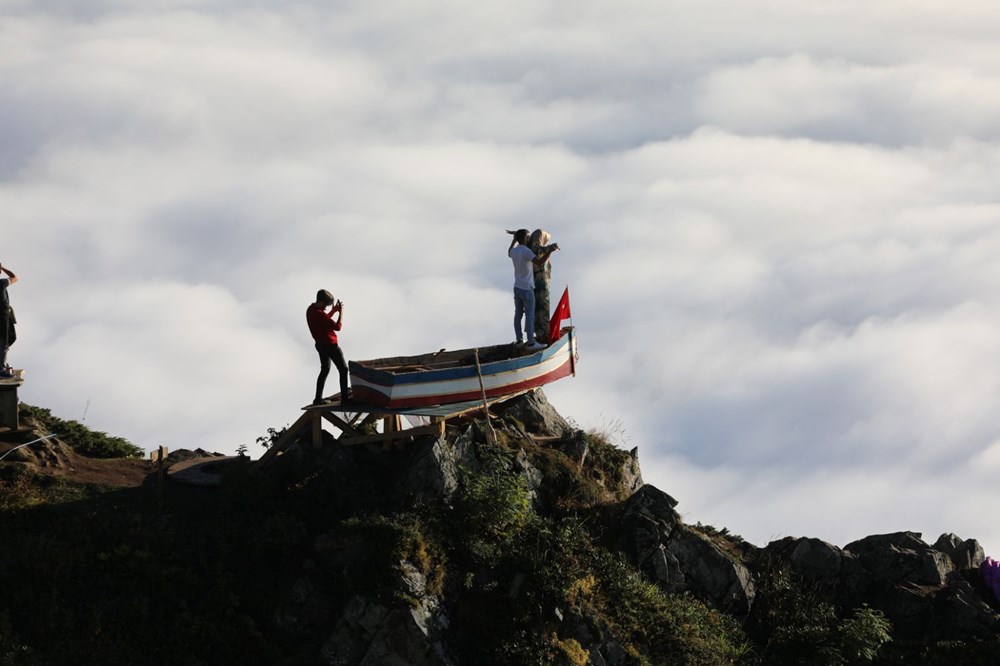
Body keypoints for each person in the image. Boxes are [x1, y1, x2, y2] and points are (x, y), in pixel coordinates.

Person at [507, 229, 559, 350]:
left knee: (518, 314)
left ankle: (519, 340)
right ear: (525, 239)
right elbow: (540, 262)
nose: (530, 239)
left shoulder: (514, 251)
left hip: (517, 287)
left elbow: (509, 252)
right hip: (527, 288)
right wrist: (550, 251)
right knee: (530, 315)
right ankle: (531, 342)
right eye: (528, 237)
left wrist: (513, 240)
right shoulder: (527, 252)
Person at [306, 289, 350, 405]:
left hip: (320, 345)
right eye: (326, 304)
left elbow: (323, 320)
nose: (326, 307)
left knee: (324, 370)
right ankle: (345, 399)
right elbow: (337, 327)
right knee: (343, 369)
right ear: (322, 301)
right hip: (330, 345)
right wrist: (341, 312)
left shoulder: (311, 310)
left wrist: (333, 311)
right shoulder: (319, 313)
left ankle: (317, 398)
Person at [528, 229, 558, 344]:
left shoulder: (531, 249)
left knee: (537, 309)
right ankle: (545, 334)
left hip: (534, 283)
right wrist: (551, 248)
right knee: (544, 307)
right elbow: (543, 250)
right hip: (541, 283)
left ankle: (540, 334)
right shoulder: (538, 250)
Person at [0, 263, 18, 379]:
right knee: (4, 341)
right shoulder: (1, 283)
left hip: (4, 315)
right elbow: (15, 277)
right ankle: (0, 369)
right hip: (2, 316)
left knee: (4, 341)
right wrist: (3, 268)